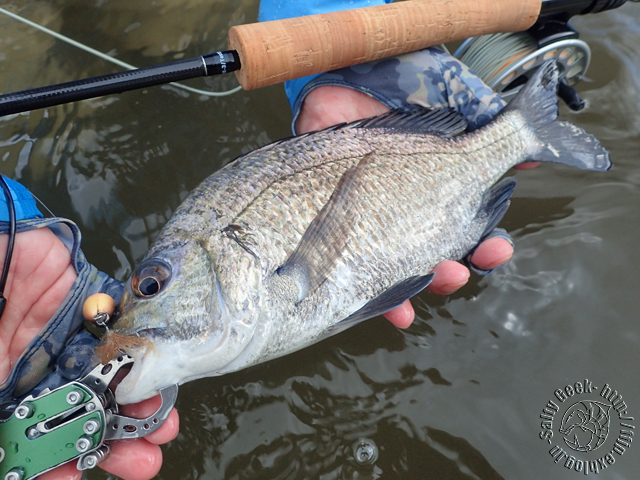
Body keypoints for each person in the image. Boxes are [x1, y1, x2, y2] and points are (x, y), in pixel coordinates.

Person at [1, 2, 532, 478]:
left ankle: (523, 130)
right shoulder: (219, 327)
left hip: (422, 172)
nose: (136, 300)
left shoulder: (253, 301)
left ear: (230, 254)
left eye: (152, 284)